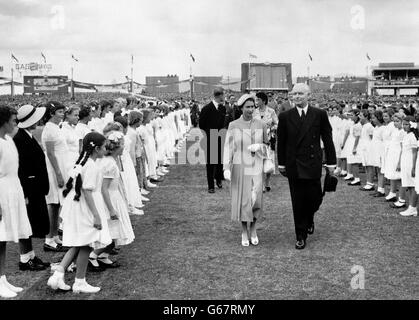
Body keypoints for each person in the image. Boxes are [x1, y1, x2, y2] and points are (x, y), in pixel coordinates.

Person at [47, 132, 112, 293]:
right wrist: (96, 215)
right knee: (86, 244)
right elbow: (88, 191)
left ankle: (58, 274)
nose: (106, 149)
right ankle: (80, 281)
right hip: (85, 208)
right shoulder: (91, 167)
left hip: (78, 206)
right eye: (104, 147)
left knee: (80, 243)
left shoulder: (83, 163)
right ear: (97, 149)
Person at [277, 83, 336, 250]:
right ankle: (300, 235)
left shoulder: (320, 114)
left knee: (315, 198)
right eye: (294, 94)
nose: (296, 97)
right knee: (297, 201)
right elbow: (281, 143)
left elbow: (328, 139)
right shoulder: (285, 116)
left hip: (313, 164)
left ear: (308, 95)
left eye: (300, 94)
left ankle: (310, 217)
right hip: (294, 165)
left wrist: (331, 162)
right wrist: (281, 163)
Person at [223, 94, 268, 246]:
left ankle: (253, 228)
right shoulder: (233, 125)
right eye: (247, 107)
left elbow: (268, 147)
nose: (250, 109)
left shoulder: (261, 124)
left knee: (256, 200)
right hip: (239, 165)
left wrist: (260, 147)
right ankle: (244, 230)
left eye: (252, 107)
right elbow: (228, 148)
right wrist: (226, 168)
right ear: (241, 108)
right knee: (243, 200)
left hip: (256, 165)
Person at [0, 105, 33, 298]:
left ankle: (2, 279)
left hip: (12, 189)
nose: (16, 123)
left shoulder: (8, 141)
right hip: (1, 191)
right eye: (13, 120)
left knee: (3, 239)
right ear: (4, 121)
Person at [13, 105, 50, 271]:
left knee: (30, 224)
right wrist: (25, 193)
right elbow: (20, 168)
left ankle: (31, 256)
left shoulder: (27, 136)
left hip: (35, 186)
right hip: (29, 187)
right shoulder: (20, 139)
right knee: (25, 223)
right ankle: (25, 259)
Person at [41, 101, 72, 252]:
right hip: (54, 170)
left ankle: (54, 237)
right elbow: (51, 154)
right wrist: (59, 174)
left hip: (61, 167)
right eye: (60, 112)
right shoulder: (48, 130)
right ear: (52, 113)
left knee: (57, 203)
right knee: (53, 203)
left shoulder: (56, 127)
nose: (63, 114)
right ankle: (49, 238)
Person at [199, 88, 227, 193]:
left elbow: (223, 122)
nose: (224, 98)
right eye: (223, 96)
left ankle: (218, 179)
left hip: (221, 137)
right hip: (210, 138)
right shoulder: (206, 108)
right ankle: (211, 185)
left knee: (220, 161)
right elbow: (201, 124)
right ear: (219, 96)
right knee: (211, 163)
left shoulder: (222, 108)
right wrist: (209, 134)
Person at [253, 92, 278, 192]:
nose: (256, 102)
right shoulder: (254, 112)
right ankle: (261, 184)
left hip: (268, 140)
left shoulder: (271, 111)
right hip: (257, 140)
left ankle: (267, 181)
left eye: (258, 100)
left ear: (263, 100)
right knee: (259, 162)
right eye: (256, 100)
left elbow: (277, 123)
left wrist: (272, 128)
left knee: (268, 162)